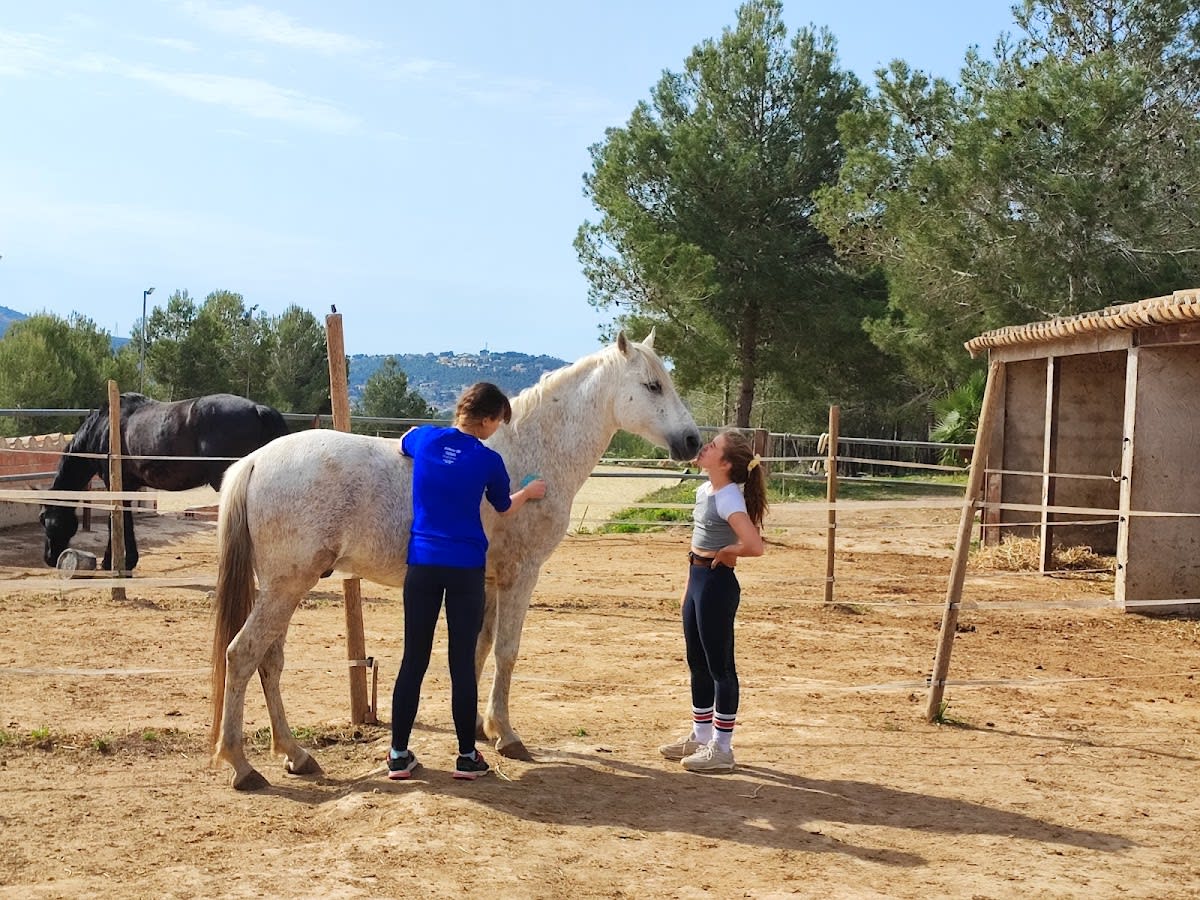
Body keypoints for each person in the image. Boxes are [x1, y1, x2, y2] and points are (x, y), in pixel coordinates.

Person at [387, 382, 546, 781]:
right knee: (461, 661)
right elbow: (504, 507)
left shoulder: (425, 439)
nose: (496, 429)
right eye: (497, 422)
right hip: (465, 568)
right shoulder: (488, 459)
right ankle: (465, 756)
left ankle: (398, 754)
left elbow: (403, 442)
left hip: (422, 563)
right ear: (489, 419)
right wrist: (529, 491)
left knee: (413, 660)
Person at [659, 429, 767, 774]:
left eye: (713, 446)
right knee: (698, 661)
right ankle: (701, 735)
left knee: (721, 666)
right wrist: (688, 588)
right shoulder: (707, 489)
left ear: (724, 462)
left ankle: (722, 747)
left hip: (717, 583)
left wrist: (730, 550)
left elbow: (755, 545)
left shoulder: (729, 498)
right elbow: (696, 543)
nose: (704, 447)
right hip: (699, 580)